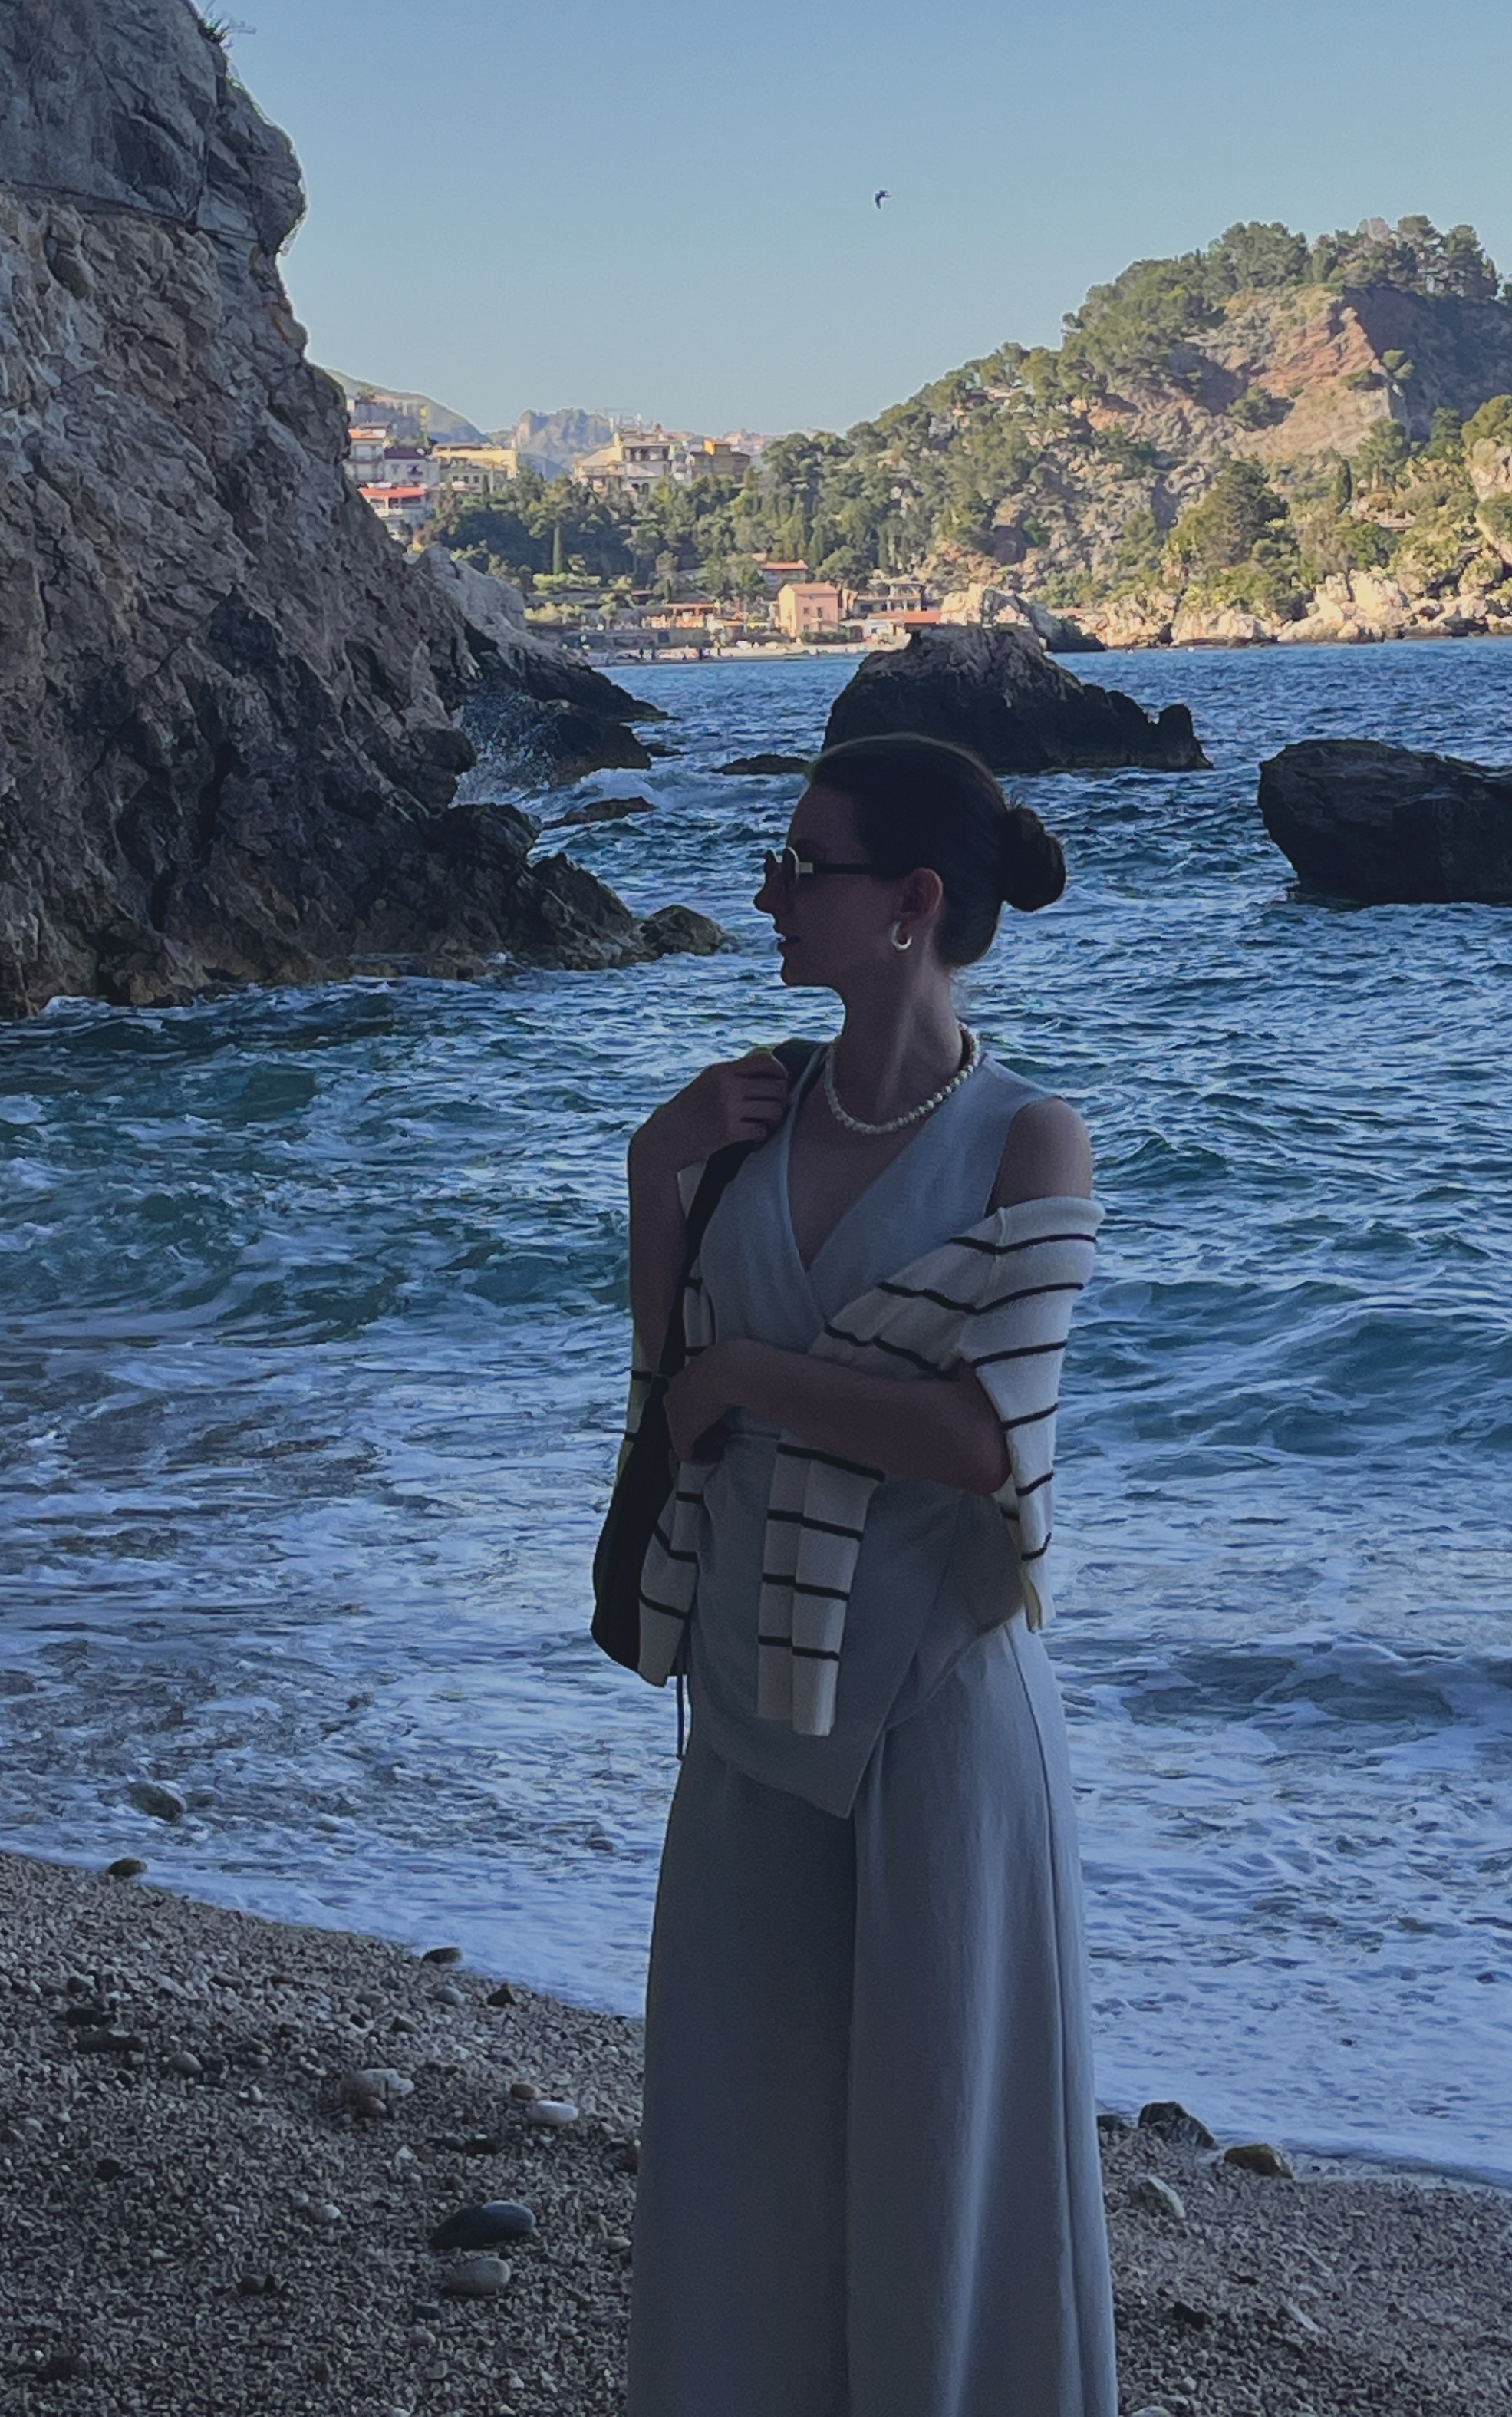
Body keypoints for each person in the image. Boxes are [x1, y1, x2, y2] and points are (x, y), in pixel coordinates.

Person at [621, 731, 1117, 2417]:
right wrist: (656, 1169)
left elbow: (984, 1442)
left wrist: (757, 1379)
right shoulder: (747, 1114)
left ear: (911, 903)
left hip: (935, 1717)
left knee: (944, 2171)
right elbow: (668, 1397)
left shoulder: (1028, 1144)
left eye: (800, 865)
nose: (768, 894)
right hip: (750, 1707)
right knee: (737, 2161)